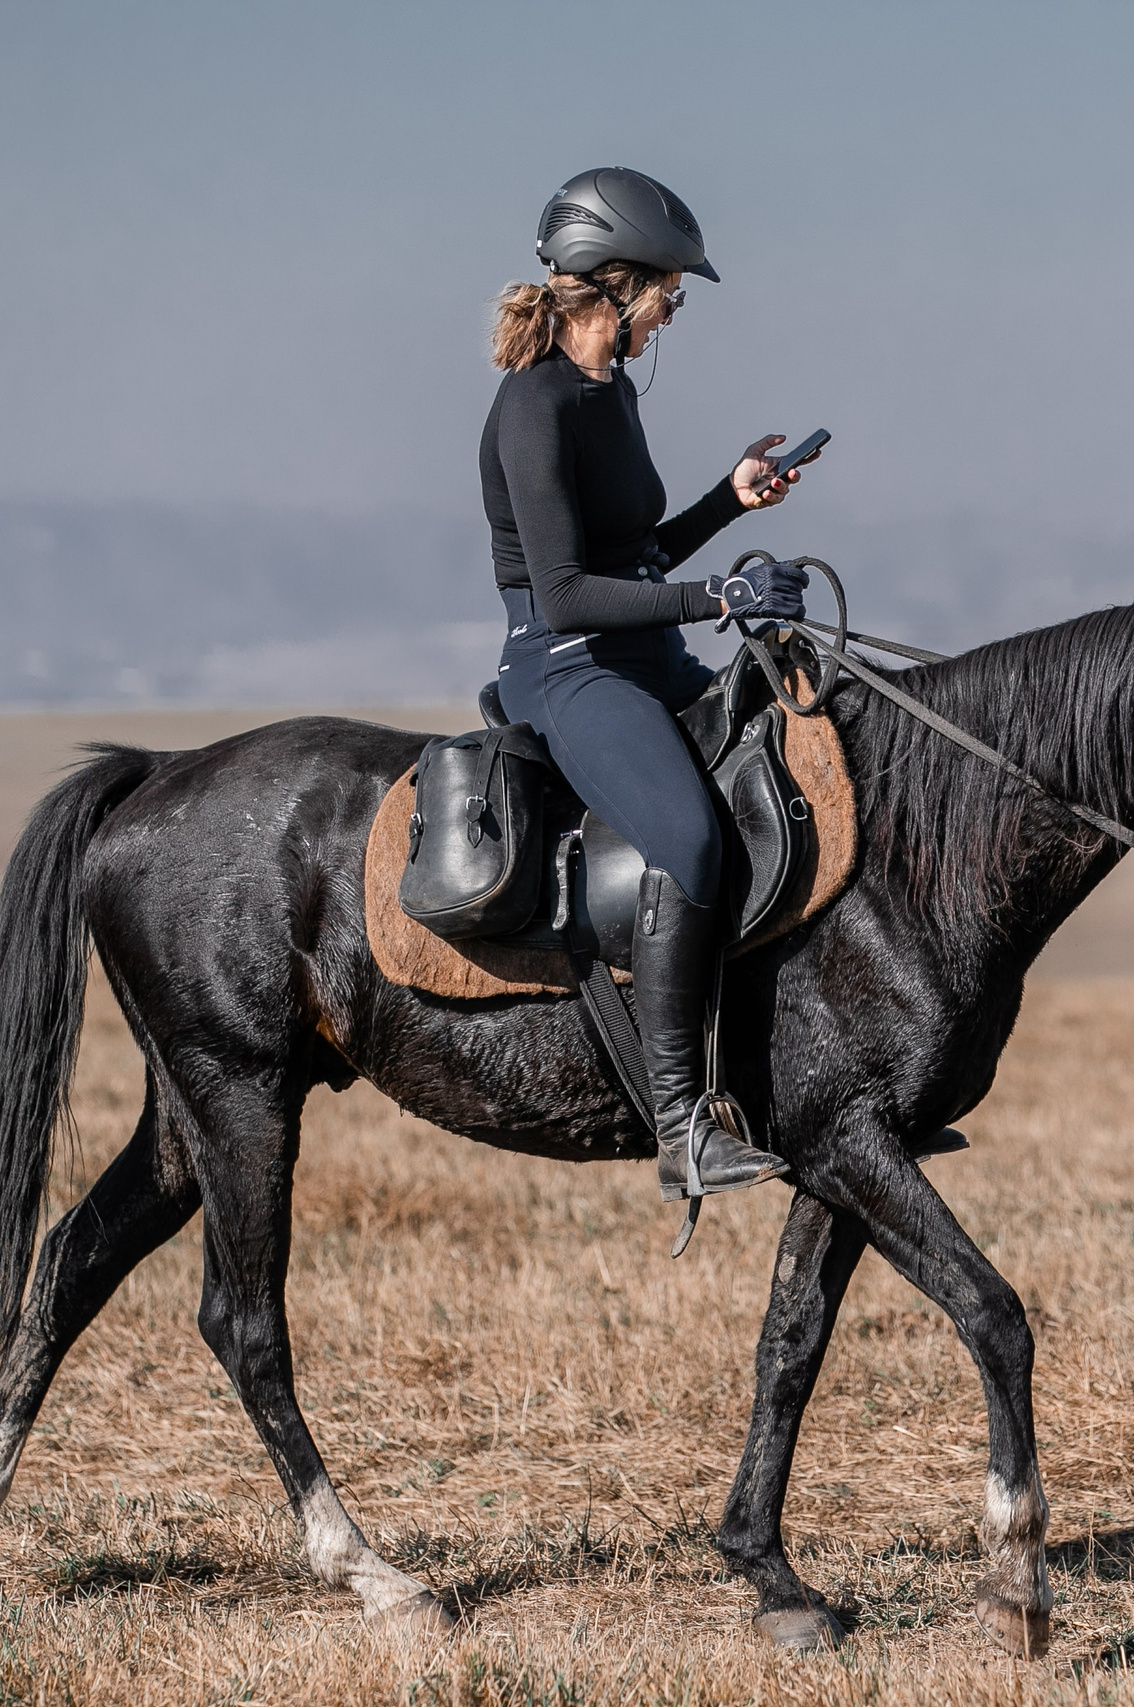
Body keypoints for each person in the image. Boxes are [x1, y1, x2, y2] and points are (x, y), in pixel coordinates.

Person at [482, 166, 818, 1205]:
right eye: (670, 286)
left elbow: (637, 555)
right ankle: (681, 1129)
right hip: (566, 666)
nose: (676, 307)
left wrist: (729, 501)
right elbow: (574, 595)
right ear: (616, 282)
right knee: (691, 837)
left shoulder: (609, 389)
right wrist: (717, 599)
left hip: (640, 651)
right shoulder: (534, 407)